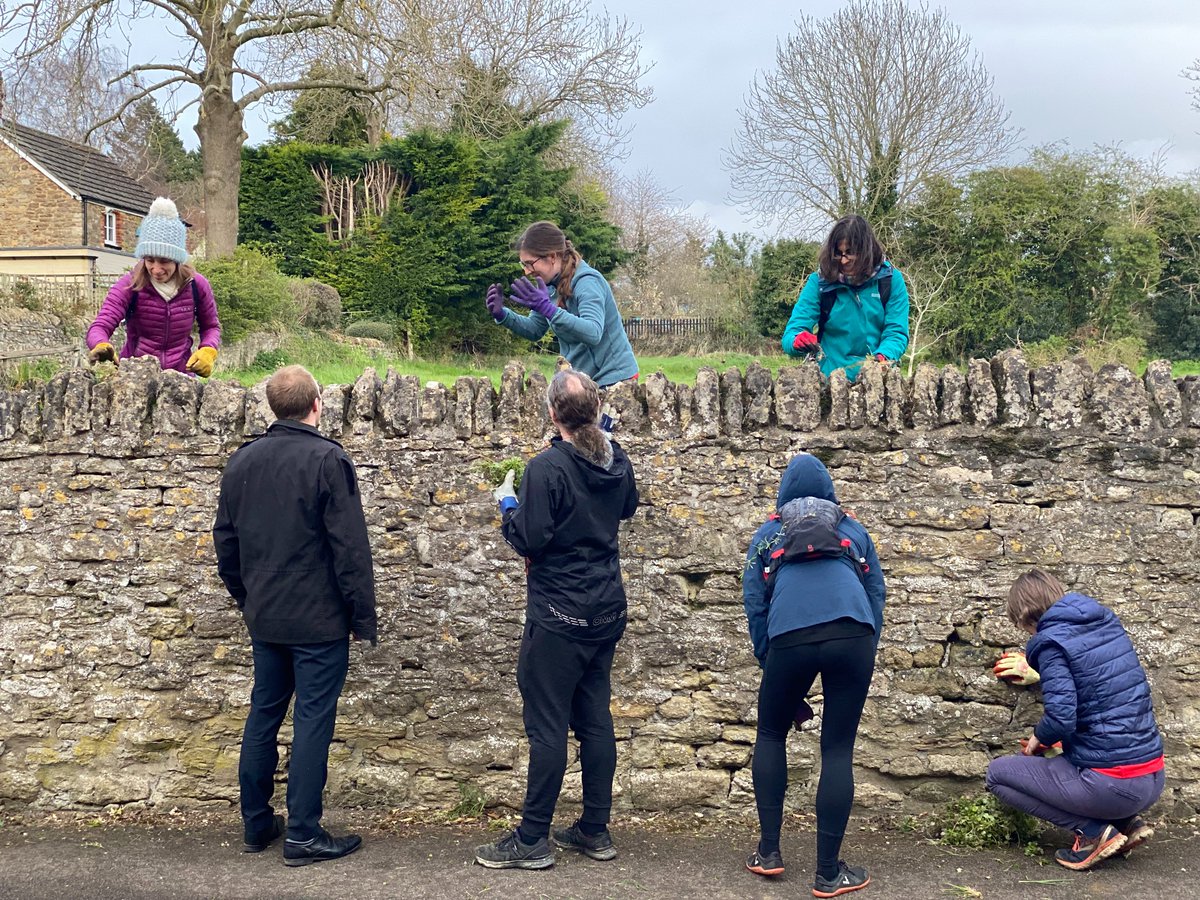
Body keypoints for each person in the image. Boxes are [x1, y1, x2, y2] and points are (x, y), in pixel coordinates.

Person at [474, 369, 639, 870]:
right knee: (594, 720)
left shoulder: (545, 468)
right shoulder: (616, 460)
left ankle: (531, 839)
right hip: (606, 608)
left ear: (552, 414)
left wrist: (506, 503)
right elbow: (627, 506)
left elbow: (529, 537)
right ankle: (594, 829)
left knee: (547, 726)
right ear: (595, 410)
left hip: (559, 613)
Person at [213, 365, 376, 867]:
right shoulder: (328, 460)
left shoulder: (241, 463)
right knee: (311, 719)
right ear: (316, 405)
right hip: (319, 619)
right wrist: (360, 614)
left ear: (272, 406)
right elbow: (350, 549)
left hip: (266, 615)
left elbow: (226, 543)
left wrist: (248, 598)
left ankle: (257, 822)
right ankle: (303, 833)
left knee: (264, 712)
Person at [742, 453, 885, 898]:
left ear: (783, 492)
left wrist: (770, 661)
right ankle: (828, 874)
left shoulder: (768, 535)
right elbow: (876, 590)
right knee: (837, 748)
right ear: (829, 491)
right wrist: (865, 642)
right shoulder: (852, 530)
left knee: (770, 734)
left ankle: (768, 853)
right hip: (853, 632)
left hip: (789, 634)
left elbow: (755, 602)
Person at [986, 569, 1164, 871]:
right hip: (1153, 778)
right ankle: (1127, 824)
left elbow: (1061, 717)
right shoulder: (1105, 624)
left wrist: (1036, 741)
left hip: (1113, 785)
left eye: (1020, 625)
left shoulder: (1049, 641)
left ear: (1025, 616)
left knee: (997, 774)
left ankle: (1095, 834)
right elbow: (1097, 693)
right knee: (1074, 761)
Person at [485, 221, 638, 388]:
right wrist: (503, 315)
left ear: (552, 256)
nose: (526, 271)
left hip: (614, 380)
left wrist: (550, 310)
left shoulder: (587, 282)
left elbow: (593, 332)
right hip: (581, 383)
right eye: (523, 264)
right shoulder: (550, 285)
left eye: (529, 263)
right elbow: (535, 329)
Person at [86, 196, 221, 376]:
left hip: (181, 379)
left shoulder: (197, 285)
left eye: (164, 261)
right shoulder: (129, 285)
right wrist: (100, 344)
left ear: (177, 260)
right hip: (136, 376)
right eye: (150, 260)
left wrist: (208, 350)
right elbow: (100, 326)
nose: (156, 269)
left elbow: (211, 326)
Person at [781, 215, 909, 383]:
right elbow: (791, 333)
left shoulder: (890, 281)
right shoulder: (819, 283)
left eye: (850, 253)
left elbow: (896, 333)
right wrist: (798, 341)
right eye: (838, 254)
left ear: (866, 251)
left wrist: (882, 358)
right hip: (829, 380)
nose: (843, 260)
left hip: (876, 379)